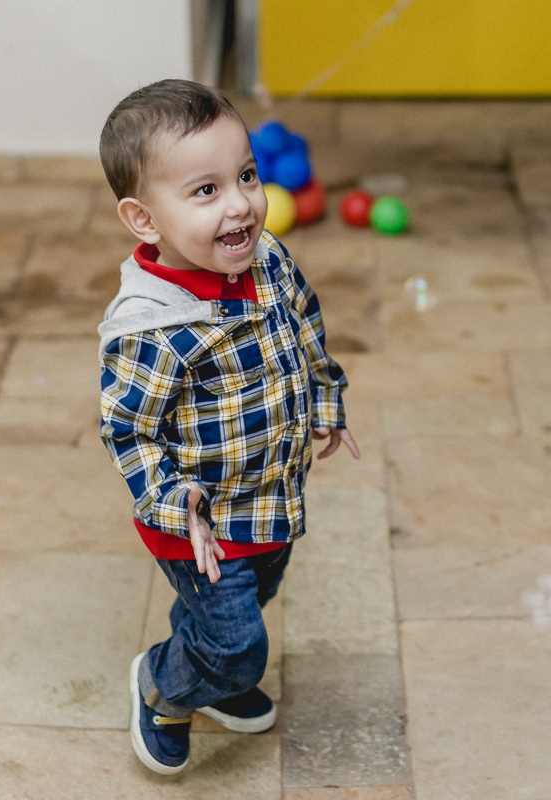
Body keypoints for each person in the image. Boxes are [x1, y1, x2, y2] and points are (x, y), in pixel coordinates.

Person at [96, 79, 358, 775]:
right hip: (199, 521)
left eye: (245, 175)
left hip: (269, 495)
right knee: (239, 642)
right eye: (205, 191)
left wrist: (326, 399)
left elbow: (302, 322)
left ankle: (205, 660)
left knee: (261, 590)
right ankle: (164, 683)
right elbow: (131, 432)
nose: (241, 202)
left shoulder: (265, 258)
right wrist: (177, 501)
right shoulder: (153, 329)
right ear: (144, 219)